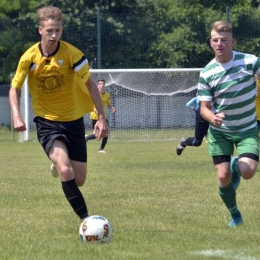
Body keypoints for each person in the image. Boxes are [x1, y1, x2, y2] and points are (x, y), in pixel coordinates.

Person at [9, 6, 108, 222]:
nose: (54, 35)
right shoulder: (29, 58)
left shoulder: (73, 55)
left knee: (79, 179)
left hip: (73, 121)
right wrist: (17, 115)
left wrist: (101, 117)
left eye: (58, 31)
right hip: (47, 122)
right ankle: (86, 219)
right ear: (40, 30)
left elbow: (91, 85)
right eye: (49, 31)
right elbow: (14, 88)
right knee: (66, 170)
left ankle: (57, 161)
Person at [198, 20, 260, 227]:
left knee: (248, 172)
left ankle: (237, 164)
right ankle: (235, 215)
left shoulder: (250, 62)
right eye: (216, 40)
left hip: (247, 129)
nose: (220, 44)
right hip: (220, 131)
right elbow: (203, 108)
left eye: (224, 40)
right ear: (211, 43)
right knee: (223, 176)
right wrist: (211, 117)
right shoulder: (207, 73)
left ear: (232, 41)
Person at [85, 79, 116, 153]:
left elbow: (108, 104)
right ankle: (86, 138)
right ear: (98, 85)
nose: (102, 85)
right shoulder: (95, 93)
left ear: (105, 85)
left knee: (106, 133)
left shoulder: (107, 95)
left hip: (104, 117)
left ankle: (101, 149)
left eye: (103, 83)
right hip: (95, 117)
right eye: (100, 83)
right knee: (97, 135)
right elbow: (93, 105)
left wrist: (112, 108)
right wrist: (96, 110)